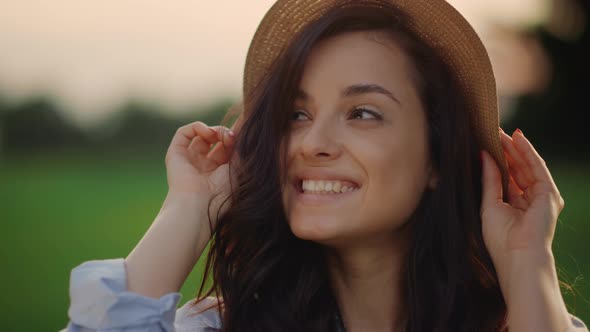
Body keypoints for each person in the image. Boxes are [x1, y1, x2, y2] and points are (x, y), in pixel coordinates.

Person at [63, 0, 588, 331]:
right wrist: (191, 206)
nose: (312, 142)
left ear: (438, 159)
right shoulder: (220, 325)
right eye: (297, 113)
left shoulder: (528, 320)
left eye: (362, 112)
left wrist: (526, 260)